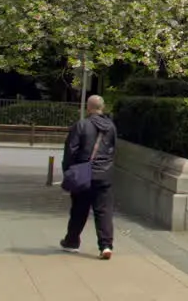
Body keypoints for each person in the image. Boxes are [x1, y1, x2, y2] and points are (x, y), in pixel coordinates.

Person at [60, 94, 118, 259]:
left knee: (79, 209)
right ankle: (106, 245)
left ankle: (71, 241)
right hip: (104, 174)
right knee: (103, 211)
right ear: (103, 108)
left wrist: (69, 171)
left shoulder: (82, 125)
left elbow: (71, 150)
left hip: (84, 173)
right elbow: (113, 150)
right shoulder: (111, 127)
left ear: (88, 107)